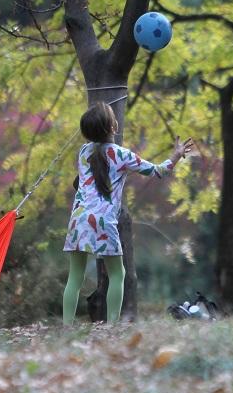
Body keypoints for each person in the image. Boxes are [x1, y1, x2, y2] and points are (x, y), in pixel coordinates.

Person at [63, 102, 193, 325]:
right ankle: (112, 326)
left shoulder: (83, 152)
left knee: (75, 276)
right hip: (103, 221)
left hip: (78, 218)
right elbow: (158, 171)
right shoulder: (122, 155)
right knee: (118, 274)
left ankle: (66, 325)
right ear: (113, 127)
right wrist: (176, 155)